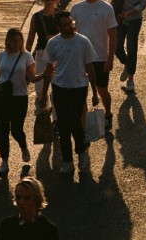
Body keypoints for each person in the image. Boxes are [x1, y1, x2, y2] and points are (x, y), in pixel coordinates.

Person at [43, 11, 98, 174]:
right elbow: (48, 69)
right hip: (59, 88)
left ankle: (82, 152)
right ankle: (67, 162)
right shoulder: (53, 43)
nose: (70, 26)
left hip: (79, 88)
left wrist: (95, 93)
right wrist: (43, 94)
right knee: (63, 126)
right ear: (59, 27)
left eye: (71, 23)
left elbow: (90, 68)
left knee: (74, 122)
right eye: (65, 24)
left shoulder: (83, 42)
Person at [0, 29, 44, 178]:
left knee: (16, 129)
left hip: (19, 97)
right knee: (3, 130)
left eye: (19, 40)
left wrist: (45, 74)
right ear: (8, 41)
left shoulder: (26, 56)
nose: (17, 43)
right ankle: (4, 162)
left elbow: (32, 78)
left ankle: (23, 147)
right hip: (2, 98)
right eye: (14, 40)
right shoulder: (1, 56)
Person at [70, 0, 117, 130]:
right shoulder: (76, 9)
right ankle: (83, 122)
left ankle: (108, 113)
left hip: (100, 56)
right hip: (80, 58)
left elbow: (112, 35)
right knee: (80, 91)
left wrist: (110, 59)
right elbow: (71, 33)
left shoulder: (106, 9)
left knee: (102, 89)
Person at [108, 0, 146, 92]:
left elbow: (142, 4)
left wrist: (130, 12)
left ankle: (131, 79)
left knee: (132, 47)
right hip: (118, 17)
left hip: (133, 19)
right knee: (117, 47)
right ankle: (127, 65)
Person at [25, 0, 59, 121]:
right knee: (39, 89)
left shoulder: (61, 15)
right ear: (42, 0)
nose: (49, 1)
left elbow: (70, 33)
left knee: (56, 89)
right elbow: (30, 39)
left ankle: (56, 120)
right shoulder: (36, 17)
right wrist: (26, 59)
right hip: (41, 53)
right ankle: (46, 106)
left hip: (58, 55)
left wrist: (55, 37)